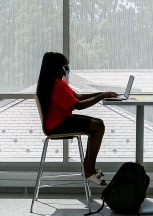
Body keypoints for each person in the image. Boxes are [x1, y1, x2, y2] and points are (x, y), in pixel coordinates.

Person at [35, 52, 119, 186]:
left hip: (58, 120)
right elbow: (78, 106)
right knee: (98, 126)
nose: (67, 71)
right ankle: (89, 169)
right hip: (57, 124)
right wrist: (101, 96)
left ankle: (87, 167)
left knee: (98, 124)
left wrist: (104, 94)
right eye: (65, 68)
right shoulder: (58, 86)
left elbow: (78, 96)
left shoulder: (55, 83)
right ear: (58, 68)